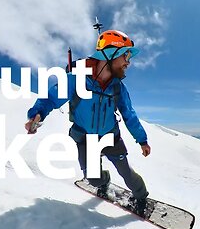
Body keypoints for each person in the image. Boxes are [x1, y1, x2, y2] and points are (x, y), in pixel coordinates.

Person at [25, 30, 151, 212]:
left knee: (127, 174)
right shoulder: (76, 79)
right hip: (86, 139)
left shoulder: (118, 87)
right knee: (93, 179)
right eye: (126, 55)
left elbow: (129, 114)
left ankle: (141, 198)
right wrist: (37, 113)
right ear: (111, 53)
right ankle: (104, 181)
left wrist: (142, 140)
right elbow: (51, 98)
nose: (128, 63)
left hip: (110, 136)